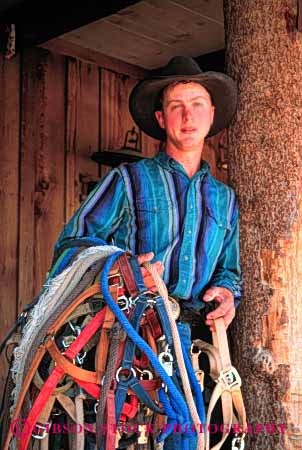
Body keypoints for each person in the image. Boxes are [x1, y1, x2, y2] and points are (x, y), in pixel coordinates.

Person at [53, 55, 241, 448]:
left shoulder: (225, 200)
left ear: (211, 116)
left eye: (197, 105)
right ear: (161, 119)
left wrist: (227, 294)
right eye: (176, 106)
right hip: (126, 338)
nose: (187, 116)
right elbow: (70, 248)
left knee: (187, 439)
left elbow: (229, 270)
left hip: (191, 345)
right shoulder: (127, 180)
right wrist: (119, 265)